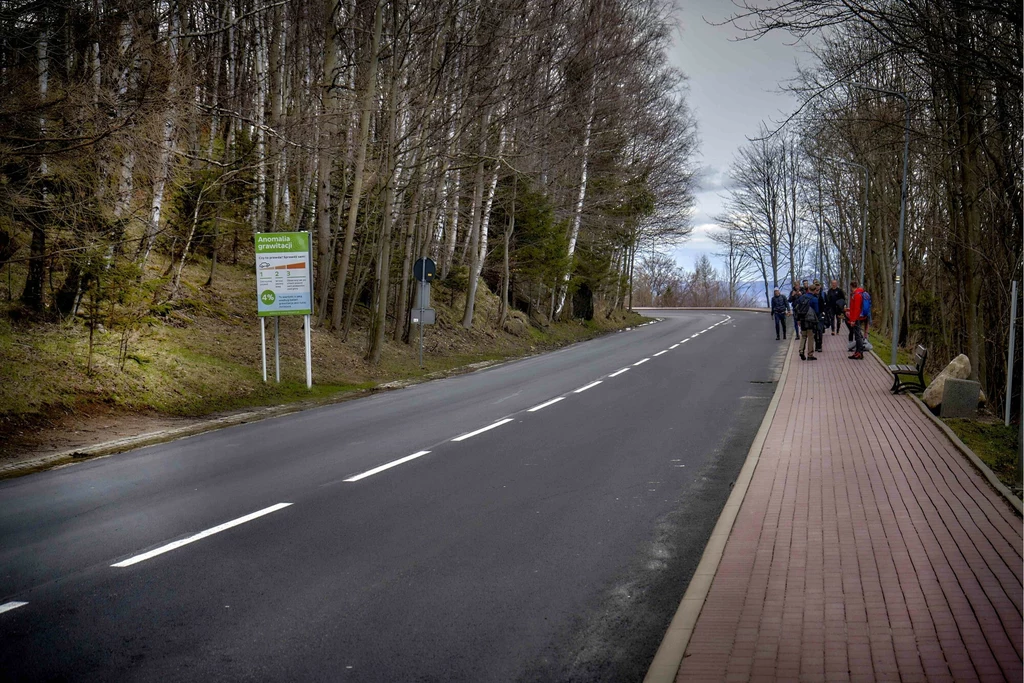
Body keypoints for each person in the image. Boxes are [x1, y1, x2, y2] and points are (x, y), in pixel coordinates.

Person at [794, 286, 819, 361]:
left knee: (803, 336)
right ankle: (810, 354)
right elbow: (817, 311)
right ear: (814, 290)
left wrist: (798, 319)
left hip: (802, 319)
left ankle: (801, 350)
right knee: (810, 337)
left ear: (808, 290)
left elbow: (797, 308)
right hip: (810, 320)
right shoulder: (814, 299)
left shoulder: (802, 297)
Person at [847, 280, 867, 359]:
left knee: (858, 336)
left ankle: (859, 352)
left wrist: (853, 320)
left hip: (857, 318)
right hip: (857, 317)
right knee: (858, 335)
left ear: (851, 286)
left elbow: (856, 309)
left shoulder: (857, 295)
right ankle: (858, 352)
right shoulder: (858, 293)